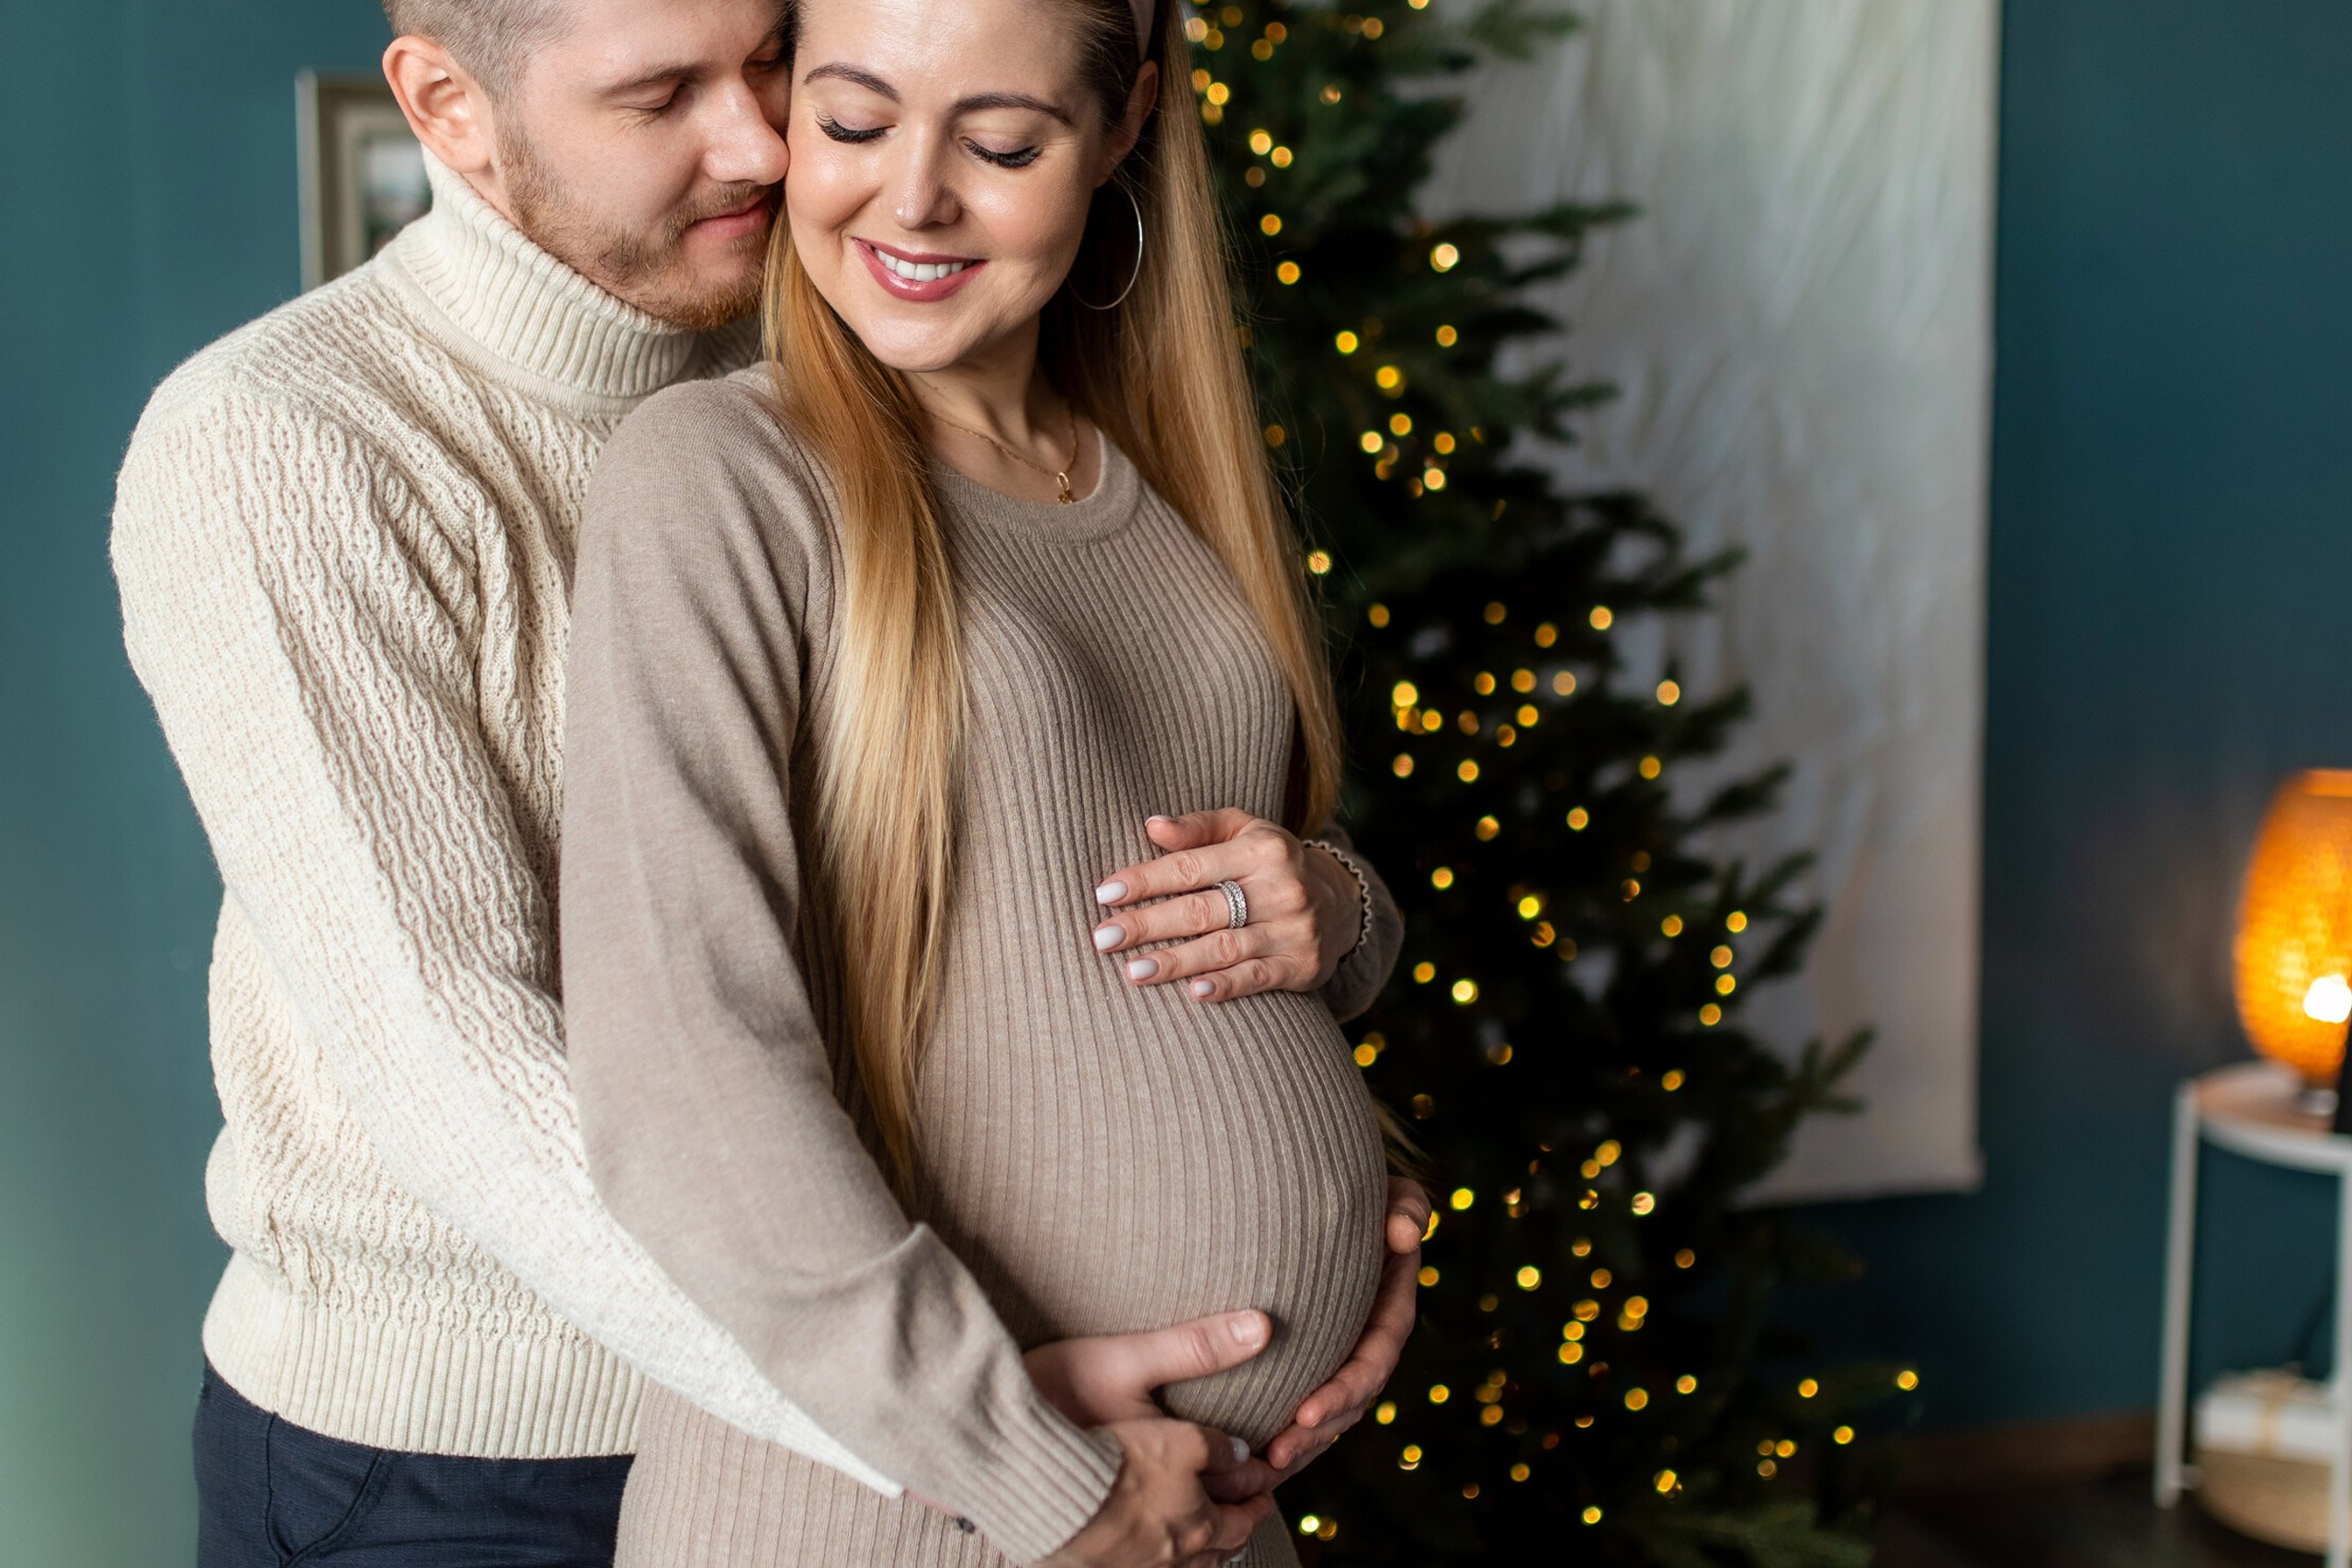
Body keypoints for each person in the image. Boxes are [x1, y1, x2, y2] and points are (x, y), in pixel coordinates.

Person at [108, 0, 1425, 1560]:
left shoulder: (878, 339)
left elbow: (1049, 893)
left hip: (939, 1403)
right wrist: (959, 1411)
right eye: (662, 95)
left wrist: (1336, 962)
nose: (759, 145)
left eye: (771, 66)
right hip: (475, 1465)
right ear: (449, 110)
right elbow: (457, 1062)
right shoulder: (286, 444)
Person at [558, 0, 1415, 1564]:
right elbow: (681, 1065)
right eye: (855, 121)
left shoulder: (1158, 483)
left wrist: (1341, 921)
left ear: (1124, 124)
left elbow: (1232, 901)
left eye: (1002, 142)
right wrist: (1042, 1478)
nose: (913, 199)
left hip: (1209, 1513)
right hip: (911, 1520)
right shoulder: (721, 480)